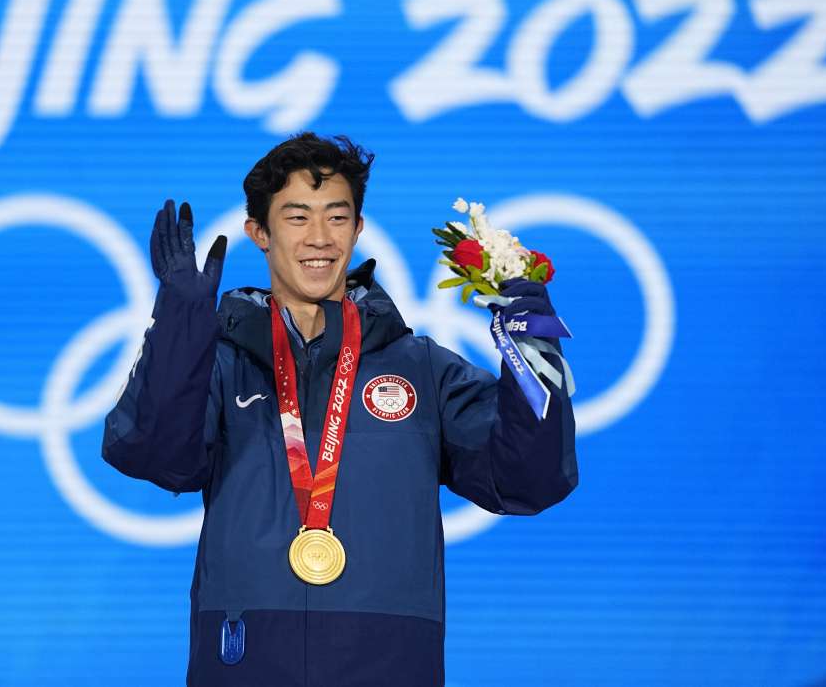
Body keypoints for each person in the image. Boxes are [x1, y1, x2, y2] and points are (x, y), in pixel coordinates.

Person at [102, 132, 577, 686]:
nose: (319, 238)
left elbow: (530, 480)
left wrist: (533, 355)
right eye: (297, 217)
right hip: (247, 659)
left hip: (387, 662)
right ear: (260, 232)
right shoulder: (222, 363)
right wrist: (183, 324)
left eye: (337, 216)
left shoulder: (423, 368)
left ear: (358, 229)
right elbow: (152, 454)